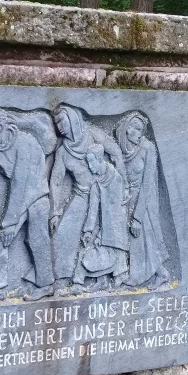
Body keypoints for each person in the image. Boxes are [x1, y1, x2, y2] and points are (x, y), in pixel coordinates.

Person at [0, 107, 56, 299]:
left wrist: (10, 223)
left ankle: (45, 285)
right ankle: (0, 290)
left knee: (37, 241)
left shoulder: (24, 142)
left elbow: (21, 184)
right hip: (23, 202)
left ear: (2, 124)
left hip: (36, 199)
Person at [49, 105, 126, 288]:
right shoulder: (63, 152)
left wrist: (123, 186)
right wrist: (54, 211)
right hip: (81, 195)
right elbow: (56, 181)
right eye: (56, 123)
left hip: (105, 193)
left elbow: (115, 151)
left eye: (61, 121)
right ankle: (61, 279)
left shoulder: (92, 133)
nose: (59, 126)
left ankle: (103, 276)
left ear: (73, 119)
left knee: (106, 238)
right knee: (62, 234)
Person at [114, 112, 171, 287]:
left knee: (146, 237)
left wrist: (138, 217)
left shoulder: (148, 148)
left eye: (142, 130)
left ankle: (154, 275)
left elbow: (147, 183)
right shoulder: (120, 149)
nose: (140, 134)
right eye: (137, 129)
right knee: (135, 241)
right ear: (127, 129)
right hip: (127, 200)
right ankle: (149, 273)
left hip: (144, 202)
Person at [74, 145, 129, 288]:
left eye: (91, 162)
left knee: (107, 254)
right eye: (88, 163)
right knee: (89, 254)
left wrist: (101, 234)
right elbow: (93, 210)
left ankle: (116, 277)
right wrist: (88, 230)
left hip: (114, 231)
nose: (89, 166)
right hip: (102, 230)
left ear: (99, 159)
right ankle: (100, 281)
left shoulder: (116, 179)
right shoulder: (96, 184)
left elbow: (117, 213)